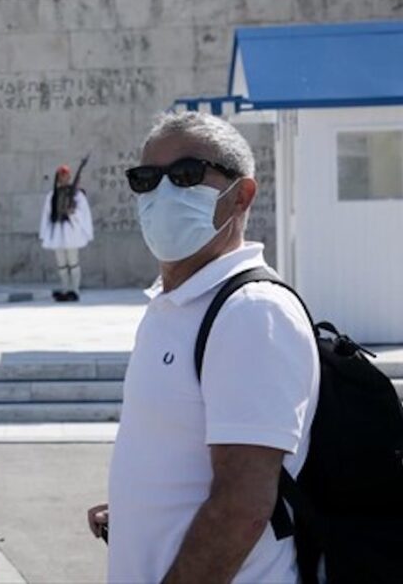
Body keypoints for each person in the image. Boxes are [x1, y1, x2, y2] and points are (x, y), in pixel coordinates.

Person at [87, 112, 319, 583]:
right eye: (147, 179)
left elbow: (243, 504)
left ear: (242, 194)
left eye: (187, 175)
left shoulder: (251, 312)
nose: (164, 193)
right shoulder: (176, 305)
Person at [39, 163, 94, 301]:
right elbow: (46, 214)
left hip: (71, 231)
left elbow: (83, 212)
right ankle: (65, 289)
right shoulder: (52, 195)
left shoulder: (76, 194)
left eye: (66, 176)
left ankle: (74, 290)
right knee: (61, 263)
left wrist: (72, 213)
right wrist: (44, 233)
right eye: (61, 176)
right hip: (57, 231)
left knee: (73, 261)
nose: (64, 179)